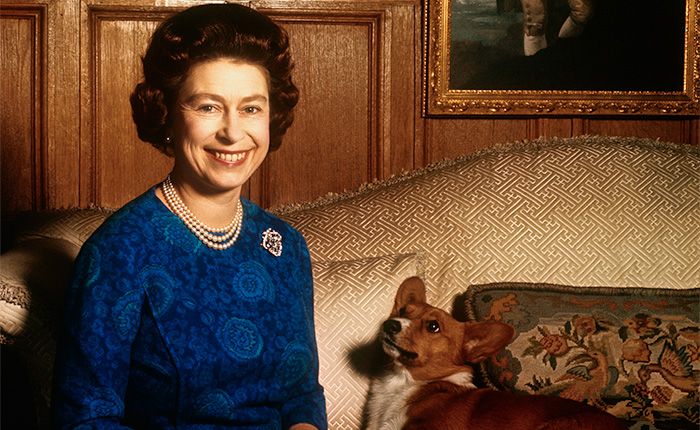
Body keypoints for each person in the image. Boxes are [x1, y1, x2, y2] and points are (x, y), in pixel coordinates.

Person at [51, 4, 327, 429]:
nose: (233, 133)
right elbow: (85, 418)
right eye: (208, 107)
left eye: (251, 108)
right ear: (167, 114)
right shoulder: (119, 252)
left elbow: (301, 394)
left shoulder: (285, 245)